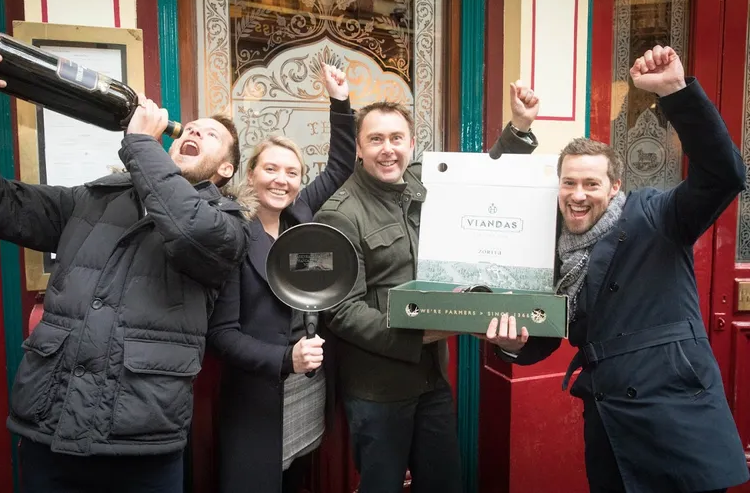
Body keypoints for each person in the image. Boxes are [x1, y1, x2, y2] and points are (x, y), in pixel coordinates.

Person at [0, 26, 249, 493]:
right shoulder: (90, 200)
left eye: (210, 135)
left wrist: (142, 146)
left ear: (226, 169)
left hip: (142, 446)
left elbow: (189, 229)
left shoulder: (228, 224)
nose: (193, 130)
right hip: (49, 430)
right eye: (190, 127)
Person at [487, 45, 750, 493]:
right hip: (609, 424)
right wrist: (512, 346)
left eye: (591, 183)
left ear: (615, 187)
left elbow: (723, 174)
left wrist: (676, 94)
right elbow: (546, 334)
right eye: (568, 182)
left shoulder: (655, 216)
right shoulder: (549, 246)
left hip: (675, 420)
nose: (578, 194)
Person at [312, 82, 540, 493]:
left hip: (433, 378)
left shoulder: (423, 183)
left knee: (442, 483)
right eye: (376, 139)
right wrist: (419, 333)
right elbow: (341, 311)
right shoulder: (340, 214)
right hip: (378, 389)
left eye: (397, 138)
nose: (388, 149)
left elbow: (483, 178)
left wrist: (518, 129)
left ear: (411, 143)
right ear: (359, 149)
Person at [206, 63, 357, 493]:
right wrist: (283, 359)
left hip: (307, 385)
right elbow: (221, 335)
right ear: (250, 174)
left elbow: (341, 163)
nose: (282, 180)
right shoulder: (232, 229)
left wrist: (340, 100)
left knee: (296, 478)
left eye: (292, 173)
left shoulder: (300, 216)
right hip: (258, 391)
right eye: (271, 169)